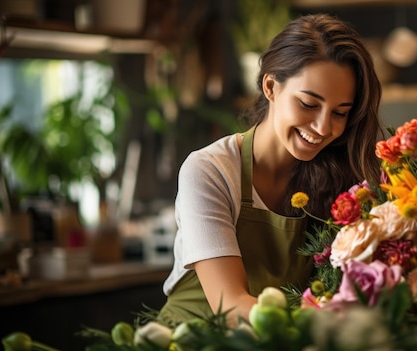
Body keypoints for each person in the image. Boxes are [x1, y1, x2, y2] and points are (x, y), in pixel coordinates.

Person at [157, 13, 384, 327]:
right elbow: (232, 305)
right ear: (271, 86)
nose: (323, 127)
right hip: (189, 340)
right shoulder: (210, 170)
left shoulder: (339, 178)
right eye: (308, 103)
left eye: (340, 113)